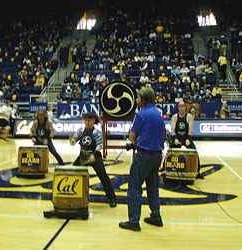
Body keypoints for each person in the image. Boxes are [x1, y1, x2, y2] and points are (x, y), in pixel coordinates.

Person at [119, 86, 165, 232]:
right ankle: (156, 216)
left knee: (134, 186)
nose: (136, 100)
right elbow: (163, 135)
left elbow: (132, 137)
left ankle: (133, 221)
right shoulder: (158, 114)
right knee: (153, 186)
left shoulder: (141, 114)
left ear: (143, 100)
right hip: (157, 155)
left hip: (144, 155)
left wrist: (133, 139)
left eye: (138, 97)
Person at [70, 112, 117, 207]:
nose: (87, 122)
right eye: (86, 120)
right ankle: (73, 195)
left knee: (103, 177)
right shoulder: (80, 130)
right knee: (72, 172)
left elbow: (99, 145)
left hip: (95, 157)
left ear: (94, 121)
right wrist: (73, 140)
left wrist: (93, 155)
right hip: (83, 156)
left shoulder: (97, 132)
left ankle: (112, 198)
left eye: (90, 120)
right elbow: (74, 139)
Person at [170, 100, 203, 179]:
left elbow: (190, 129)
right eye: (180, 106)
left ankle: (198, 171)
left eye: (183, 106)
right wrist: (175, 138)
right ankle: (165, 168)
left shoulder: (189, 117)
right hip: (177, 138)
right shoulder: (174, 117)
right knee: (170, 151)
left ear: (185, 108)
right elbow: (173, 130)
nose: (181, 108)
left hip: (186, 138)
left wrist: (188, 138)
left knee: (194, 151)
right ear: (178, 108)